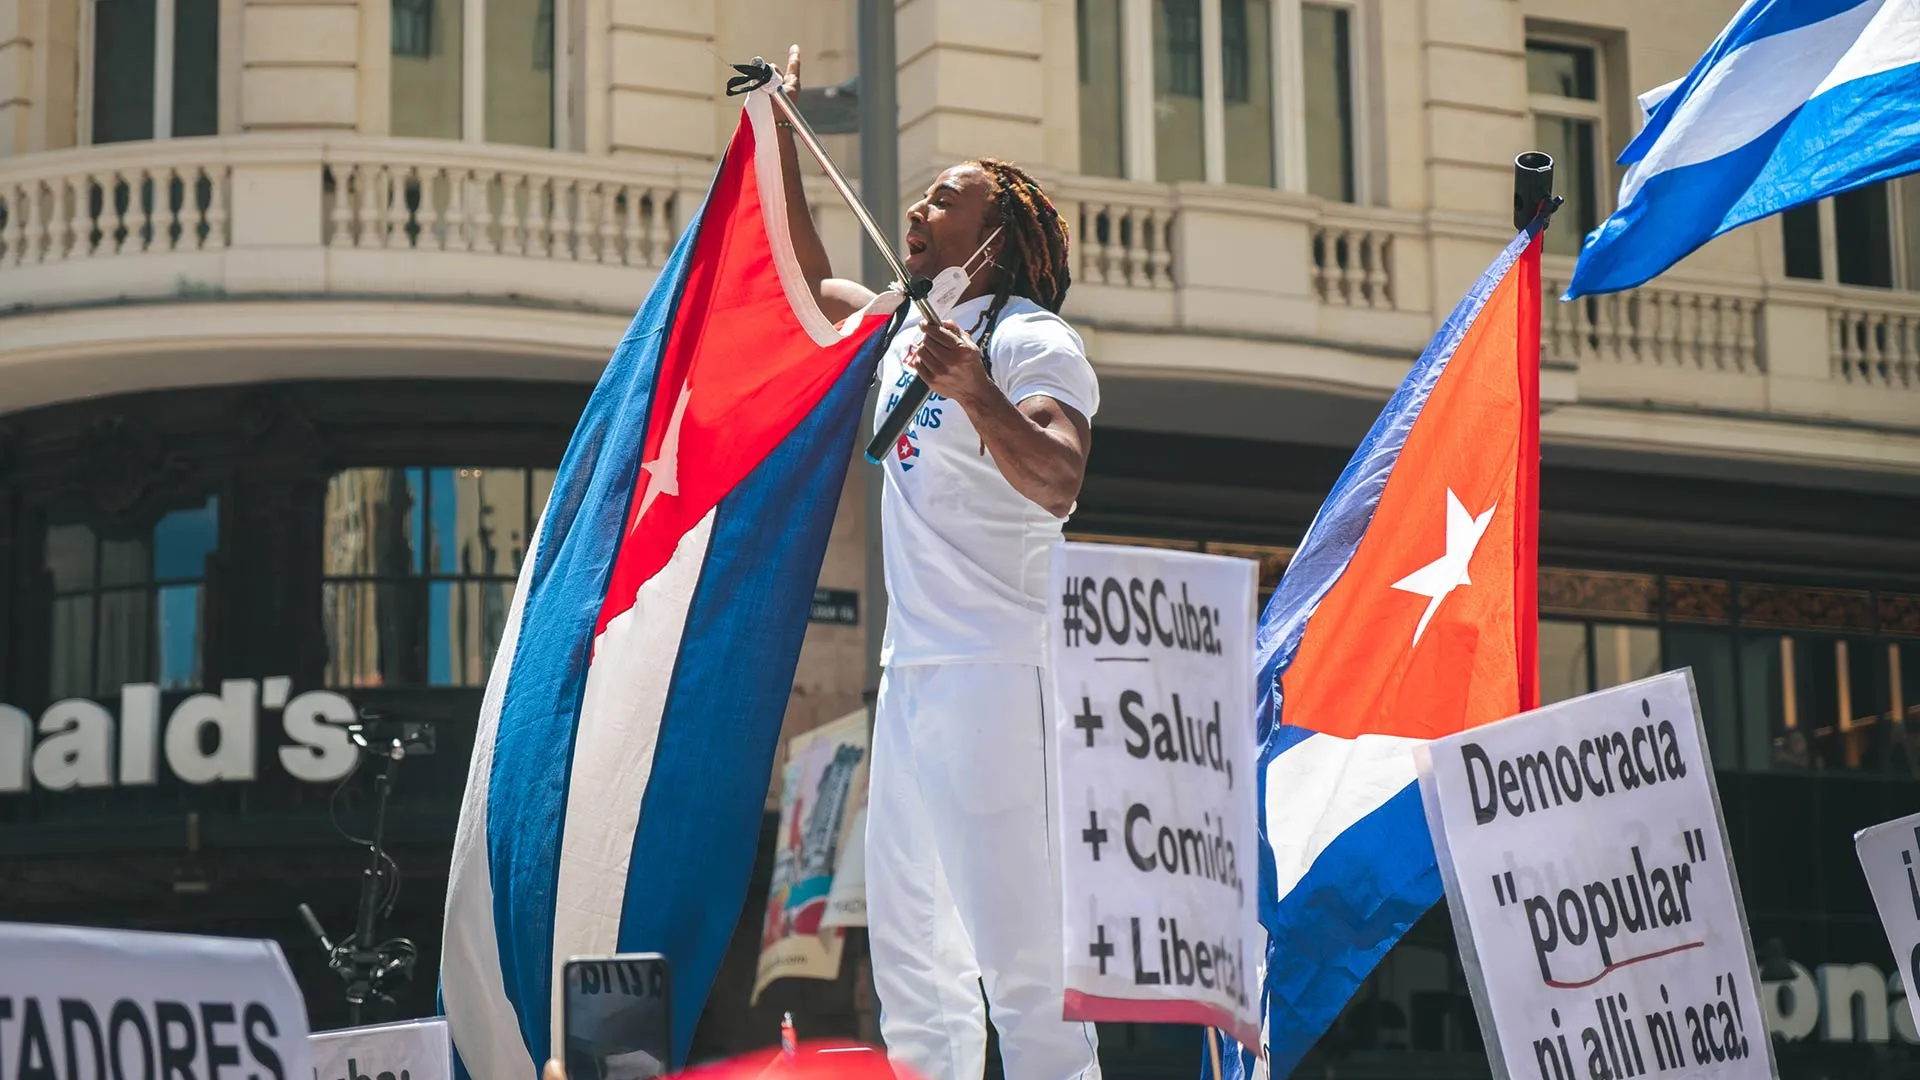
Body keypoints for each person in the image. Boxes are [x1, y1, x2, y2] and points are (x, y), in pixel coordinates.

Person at [775, 46, 1101, 1080]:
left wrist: (977, 391)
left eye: (945, 200)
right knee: (916, 976)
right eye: (920, 199)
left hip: (1001, 676)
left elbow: (1058, 479)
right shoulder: (907, 330)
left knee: (1025, 966)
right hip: (912, 680)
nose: (917, 210)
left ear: (996, 238)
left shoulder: (1034, 341)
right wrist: (779, 130)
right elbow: (803, 282)